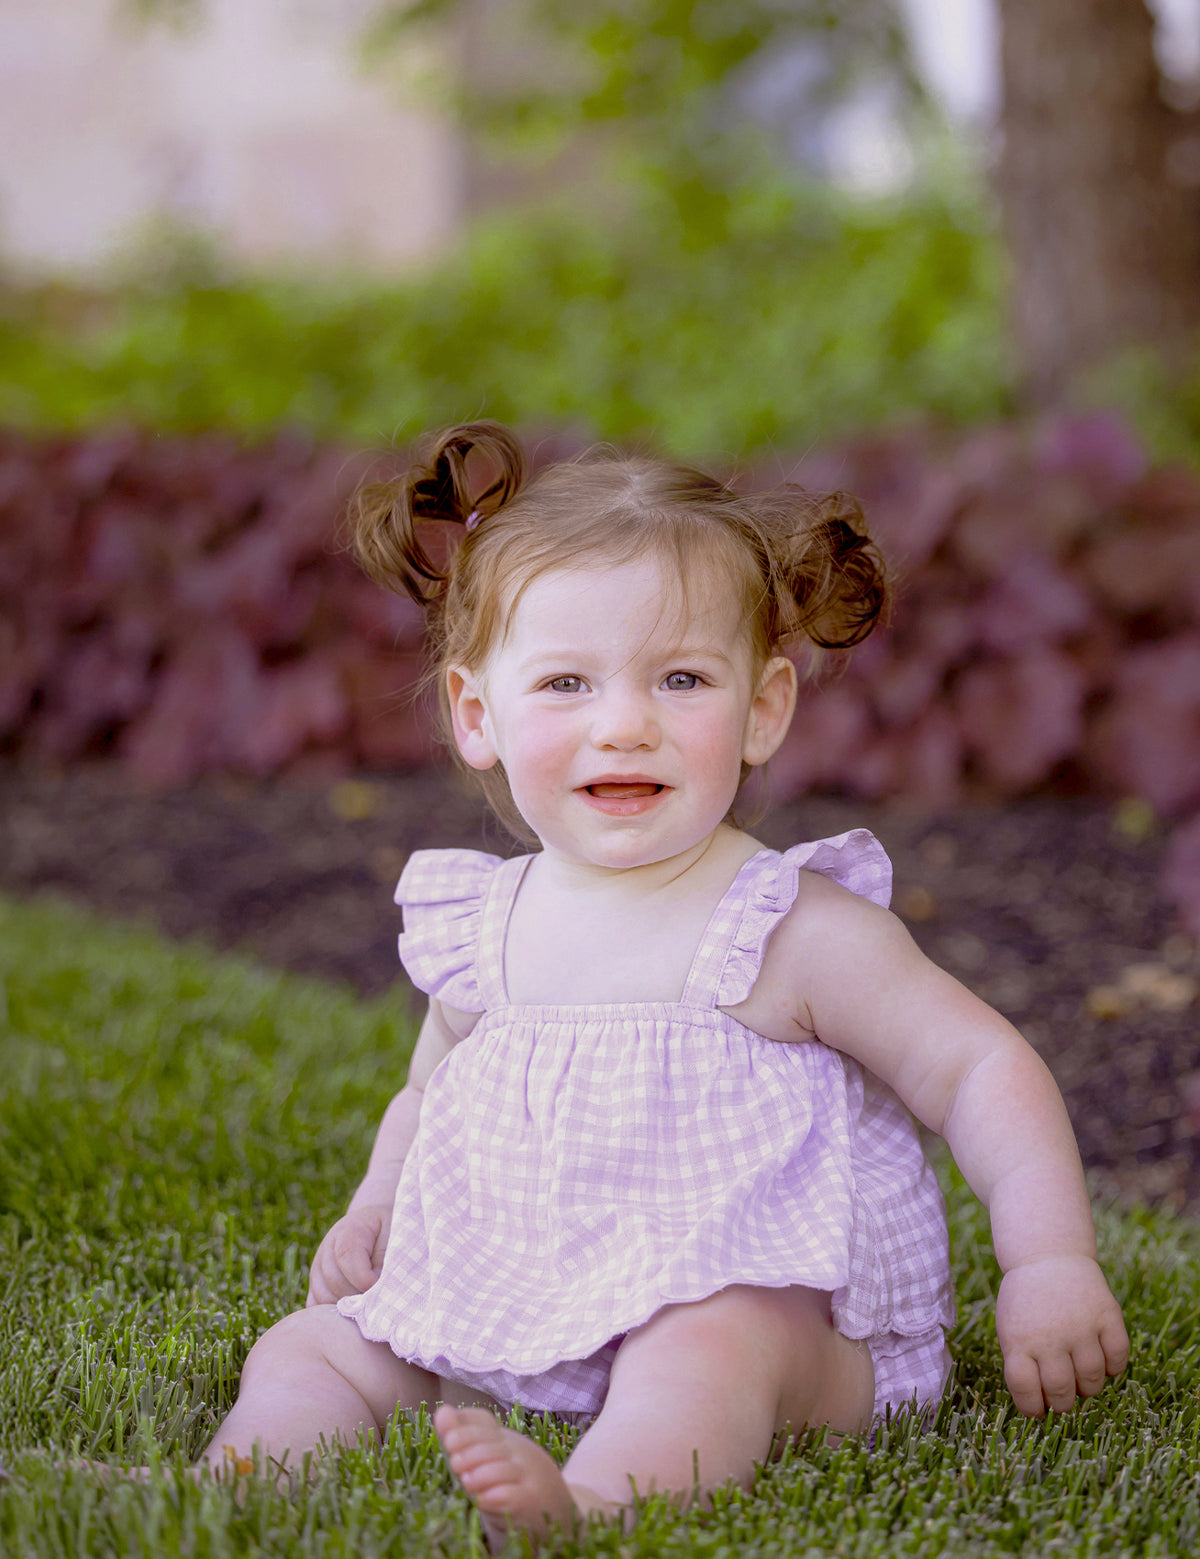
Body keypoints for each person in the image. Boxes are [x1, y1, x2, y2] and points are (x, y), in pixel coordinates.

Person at [194, 421, 1129, 1544]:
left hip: (780, 1331)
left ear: (764, 707)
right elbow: (429, 1094)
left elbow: (978, 1065)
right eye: (566, 682)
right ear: (477, 714)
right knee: (315, 1342)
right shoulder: (486, 926)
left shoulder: (788, 926)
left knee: (705, 1344)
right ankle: (236, 1485)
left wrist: (1048, 1260)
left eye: (681, 676)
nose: (624, 722)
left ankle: (591, 1505)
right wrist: (377, 1206)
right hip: (520, 1300)